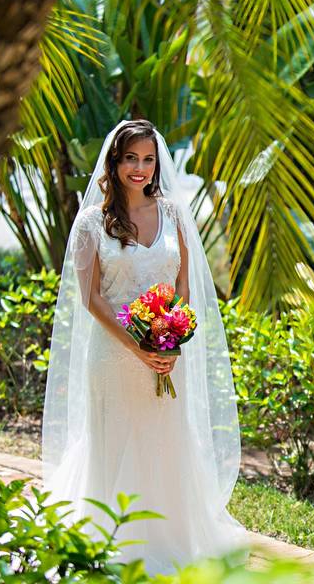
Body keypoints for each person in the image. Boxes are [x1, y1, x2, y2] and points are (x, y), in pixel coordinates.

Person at [42, 119, 249, 575]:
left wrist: (171, 340)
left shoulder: (174, 213)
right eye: (130, 158)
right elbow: (92, 299)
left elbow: (183, 285)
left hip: (166, 356)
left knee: (165, 441)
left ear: (158, 165)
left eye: (148, 159)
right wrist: (139, 347)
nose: (140, 168)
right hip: (115, 356)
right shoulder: (92, 223)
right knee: (116, 442)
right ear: (114, 164)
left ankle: (171, 535)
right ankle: (114, 541)